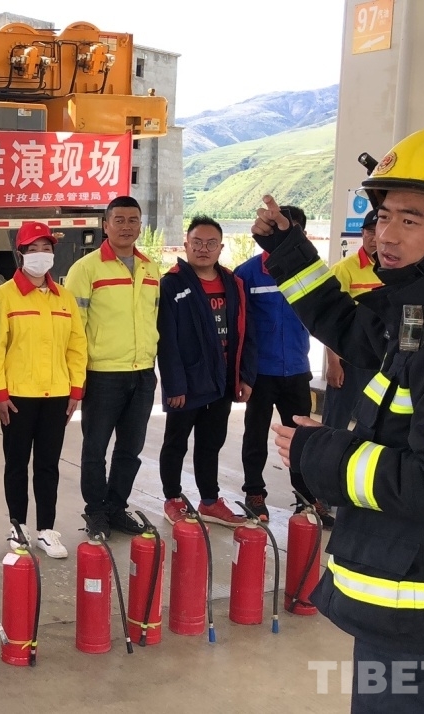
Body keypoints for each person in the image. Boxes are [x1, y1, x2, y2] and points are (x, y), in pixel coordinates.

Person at [256, 126, 424, 713]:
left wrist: (318, 453)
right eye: (382, 216)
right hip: (412, 601)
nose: (385, 233)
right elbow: (353, 330)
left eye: (410, 219)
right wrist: (288, 251)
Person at [0, 222, 87, 558]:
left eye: (46, 249)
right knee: (16, 464)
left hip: (56, 395)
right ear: (21, 254)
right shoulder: (3, 297)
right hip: (18, 397)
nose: (41, 255)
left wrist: (75, 389)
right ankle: (18, 526)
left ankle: (46, 530)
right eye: (33, 249)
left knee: (47, 465)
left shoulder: (64, 298)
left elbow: (76, 345)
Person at [65, 196, 160, 539]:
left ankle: (117, 508)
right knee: (95, 449)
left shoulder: (151, 269)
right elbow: (74, 328)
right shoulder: (86, 269)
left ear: (140, 226)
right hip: (103, 373)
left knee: (131, 449)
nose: (126, 227)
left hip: (143, 372)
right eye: (118, 220)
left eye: (133, 220)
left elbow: (154, 318)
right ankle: (95, 511)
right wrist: (76, 378)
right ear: (105, 226)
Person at [157, 216, 257, 527]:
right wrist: (174, 385)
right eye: (197, 242)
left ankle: (210, 501)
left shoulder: (233, 283)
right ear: (186, 245)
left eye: (211, 243)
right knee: (176, 442)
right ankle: (172, 499)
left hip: (222, 379)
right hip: (188, 383)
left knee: (211, 443)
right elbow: (167, 340)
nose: (203, 249)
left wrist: (245, 376)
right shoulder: (172, 284)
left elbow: (245, 331)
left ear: (221, 248)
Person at [234, 205, 328, 525]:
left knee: (301, 438)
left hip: (298, 370)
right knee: (255, 435)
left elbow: (327, 317)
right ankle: (254, 493)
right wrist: (240, 373)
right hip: (261, 373)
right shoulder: (247, 274)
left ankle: (306, 498)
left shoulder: (310, 271)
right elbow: (239, 327)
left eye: (295, 232)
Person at [322, 209, 384, 431]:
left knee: (375, 419)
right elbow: (330, 320)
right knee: (336, 419)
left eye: (379, 231)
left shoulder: (394, 270)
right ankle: (326, 452)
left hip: (382, 358)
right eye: (370, 231)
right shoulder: (344, 269)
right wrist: (333, 363)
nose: (375, 237)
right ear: (362, 234)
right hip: (350, 358)